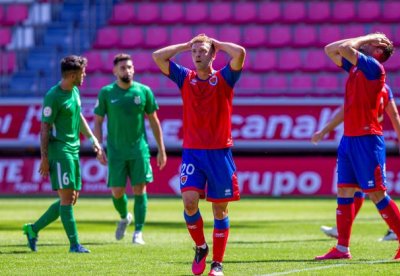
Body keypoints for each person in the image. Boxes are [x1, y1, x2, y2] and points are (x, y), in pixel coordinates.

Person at [315, 33, 400, 261]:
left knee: (377, 193)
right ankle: (342, 248)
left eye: (373, 44)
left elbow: (347, 46)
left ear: (378, 50)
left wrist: (372, 36)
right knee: (345, 191)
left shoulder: (373, 67)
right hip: (349, 138)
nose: (367, 44)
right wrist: (371, 38)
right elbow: (331, 48)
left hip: (368, 140)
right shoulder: (356, 68)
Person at [152, 34, 245, 275]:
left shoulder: (224, 78)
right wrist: (186, 45)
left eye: (202, 51)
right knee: (189, 202)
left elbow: (240, 54)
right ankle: (201, 247)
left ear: (213, 54)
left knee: (219, 211)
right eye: (194, 52)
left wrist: (216, 43)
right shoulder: (185, 77)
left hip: (220, 153)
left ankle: (217, 263)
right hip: (193, 153)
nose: (197, 55)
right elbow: (157, 57)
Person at [23, 55, 103, 253]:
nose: (85, 76)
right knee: (67, 199)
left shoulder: (74, 91)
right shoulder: (53, 96)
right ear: (73, 74)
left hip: (73, 150)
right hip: (59, 150)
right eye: (83, 73)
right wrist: (44, 158)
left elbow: (79, 115)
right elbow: (44, 128)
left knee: (71, 197)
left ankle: (32, 229)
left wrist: (93, 139)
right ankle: (74, 245)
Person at [312, 84, 400, 242]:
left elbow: (393, 114)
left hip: (366, 141)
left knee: (375, 192)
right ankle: (342, 239)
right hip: (359, 140)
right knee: (353, 188)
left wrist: (324, 130)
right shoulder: (381, 87)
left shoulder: (363, 86)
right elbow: (394, 114)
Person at [94, 53, 167, 245]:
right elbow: (98, 121)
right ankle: (125, 216)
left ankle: (138, 232)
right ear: (115, 71)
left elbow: (154, 121)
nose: (127, 70)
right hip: (116, 152)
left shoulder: (144, 91)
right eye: (123, 67)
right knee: (117, 192)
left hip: (139, 150)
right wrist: (98, 146)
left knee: (139, 189)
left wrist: (161, 148)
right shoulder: (106, 93)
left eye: (129, 67)